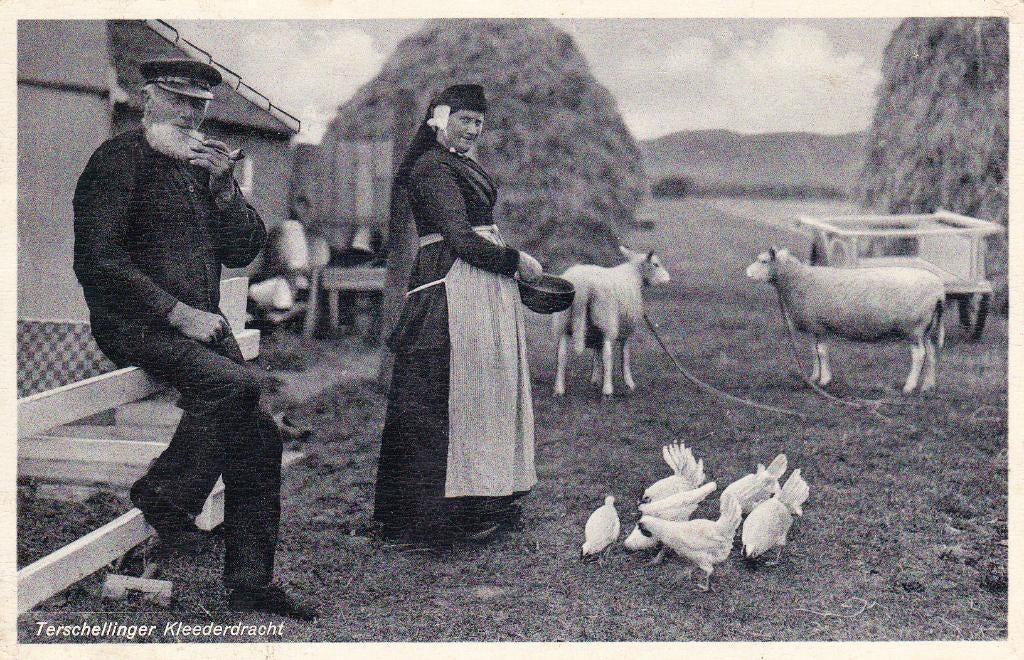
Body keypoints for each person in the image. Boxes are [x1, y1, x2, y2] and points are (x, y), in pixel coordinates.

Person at [72, 58, 315, 620]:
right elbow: (97, 259)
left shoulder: (203, 167)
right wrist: (177, 313)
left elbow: (244, 250)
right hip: (136, 322)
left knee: (260, 440)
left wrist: (227, 190)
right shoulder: (116, 160)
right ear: (146, 98)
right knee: (240, 387)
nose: (188, 115)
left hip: (197, 325)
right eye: (177, 101)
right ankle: (163, 501)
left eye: (199, 105)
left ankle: (250, 583)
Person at [373, 84, 545, 546]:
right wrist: (515, 261)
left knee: (484, 396)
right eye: (463, 120)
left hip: (479, 286)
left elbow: (478, 235)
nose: (470, 130)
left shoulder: (462, 166)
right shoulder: (430, 168)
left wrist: (508, 269)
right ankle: (428, 520)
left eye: (478, 123)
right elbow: (458, 236)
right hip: (448, 287)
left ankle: (484, 502)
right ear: (438, 119)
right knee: (443, 398)